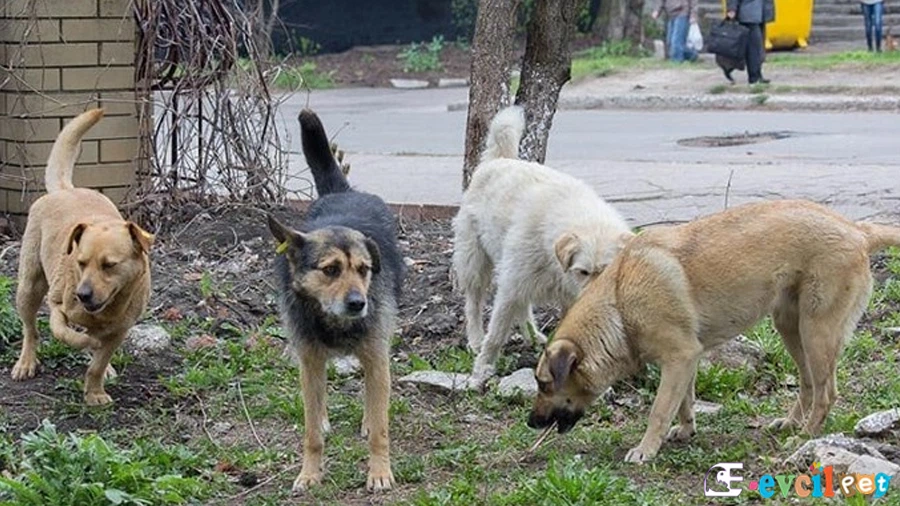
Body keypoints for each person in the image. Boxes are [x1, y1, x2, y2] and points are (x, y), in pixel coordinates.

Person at [726, 0, 775, 84]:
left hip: (760, 14)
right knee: (753, 48)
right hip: (748, 15)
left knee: (757, 48)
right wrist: (732, 8)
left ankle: (757, 75)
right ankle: (754, 77)